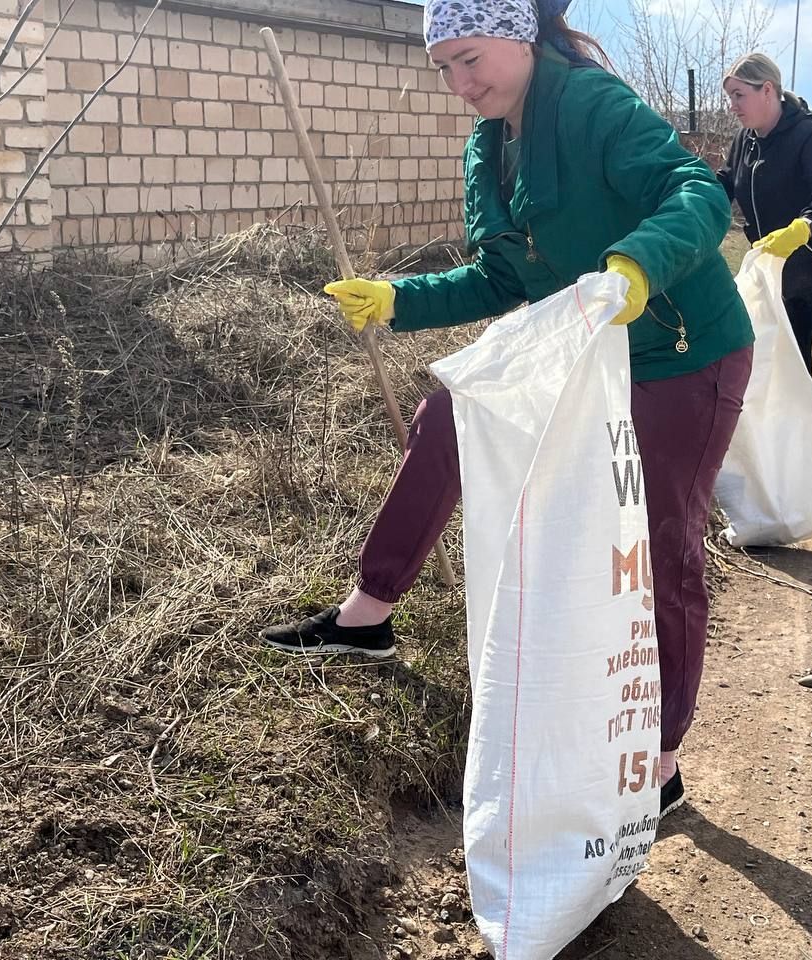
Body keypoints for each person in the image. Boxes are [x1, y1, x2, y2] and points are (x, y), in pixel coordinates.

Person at [261, 0, 755, 818]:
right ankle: (368, 614)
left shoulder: (593, 104)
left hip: (680, 349)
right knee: (451, 418)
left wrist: (636, 267)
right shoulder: (487, 148)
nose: (459, 81)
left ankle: (656, 761)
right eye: (443, 67)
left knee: (661, 541)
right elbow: (499, 278)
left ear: (518, 36)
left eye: (469, 57)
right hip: (579, 349)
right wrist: (397, 297)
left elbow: (698, 196)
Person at [717, 52, 812, 503]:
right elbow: (725, 183)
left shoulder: (808, 134)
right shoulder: (745, 141)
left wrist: (803, 225)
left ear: (768, 89)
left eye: (739, 95)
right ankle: (807, 486)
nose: (734, 106)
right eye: (730, 97)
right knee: (793, 382)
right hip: (782, 284)